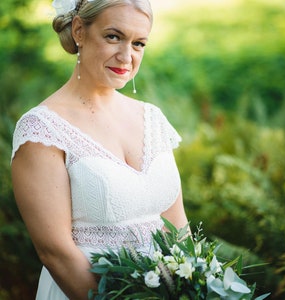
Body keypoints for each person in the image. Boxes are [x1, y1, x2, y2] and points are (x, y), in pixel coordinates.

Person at [11, 0, 188, 299]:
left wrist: (193, 285)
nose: (126, 56)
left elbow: (177, 223)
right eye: (113, 37)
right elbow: (55, 253)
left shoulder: (152, 118)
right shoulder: (43, 130)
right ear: (79, 30)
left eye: (139, 43)